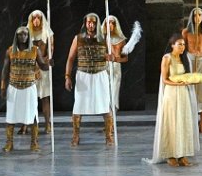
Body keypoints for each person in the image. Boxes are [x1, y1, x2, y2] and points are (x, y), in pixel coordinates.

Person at [64, 13, 115, 146]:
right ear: (85, 23)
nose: (91, 25)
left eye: (93, 22)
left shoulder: (105, 38)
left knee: (105, 105)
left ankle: (109, 136)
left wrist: (111, 57)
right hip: (83, 75)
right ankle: (75, 136)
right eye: (88, 22)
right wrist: (67, 76)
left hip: (100, 74)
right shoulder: (78, 38)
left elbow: (114, 56)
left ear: (97, 23)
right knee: (78, 106)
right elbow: (70, 58)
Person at [149, 35, 200, 166]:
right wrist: (178, 84)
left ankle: (182, 154)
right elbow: (165, 79)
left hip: (183, 94)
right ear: (172, 45)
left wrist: (191, 79)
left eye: (183, 44)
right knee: (172, 122)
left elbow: (187, 75)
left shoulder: (184, 58)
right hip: (171, 94)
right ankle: (170, 154)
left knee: (183, 122)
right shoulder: (167, 58)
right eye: (179, 44)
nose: (182, 47)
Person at [1, 26, 48, 152]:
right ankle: (9, 143)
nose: (23, 37)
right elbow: (5, 70)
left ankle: (34, 143)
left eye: (25, 34)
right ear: (16, 36)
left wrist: (49, 64)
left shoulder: (35, 50)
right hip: (14, 86)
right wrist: (2, 86)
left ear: (29, 36)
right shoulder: (10, 51)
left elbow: (43, 65)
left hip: (29, 87)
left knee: (32, 115)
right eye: (20, 34)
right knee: (11, 116)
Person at [182, 7, 202, 133]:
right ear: (192, 17)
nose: (198, 18)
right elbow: (182, 49)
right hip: (190, 61)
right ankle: (191, 121)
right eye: (195, 15)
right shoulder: (186, 32)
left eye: (200, 15)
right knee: (191, 90)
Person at [26, 10, 54, 135]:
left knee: (45, 98)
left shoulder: (48, 33)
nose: (36, 20)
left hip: (43, 68)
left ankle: (48, 124)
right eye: (34, 18)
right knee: (28, 98)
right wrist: (33, 65)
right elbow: (24, 51)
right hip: (30, 68)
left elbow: (50, 51)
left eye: (38, 17)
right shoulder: (26, 32)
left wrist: (41, 64)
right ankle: (26, 125)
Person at [101, 15, 130, 109]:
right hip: (105, 67)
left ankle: (113, 109)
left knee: (115, 89)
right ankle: (107, 113)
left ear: (115, 24)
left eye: (112, 23)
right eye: (108, 22)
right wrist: (105, 56)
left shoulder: (121, 40)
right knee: (106, 89)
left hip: (116, 67)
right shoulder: (101, 39)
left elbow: (125, 58)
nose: (110, 25)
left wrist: (116, 59)